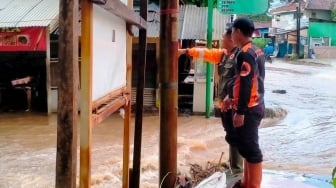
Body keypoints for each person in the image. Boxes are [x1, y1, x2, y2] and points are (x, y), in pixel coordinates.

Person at [178, 27, 244, 176]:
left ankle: (237, 171)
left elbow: (243, 81)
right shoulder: (224, 55)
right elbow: (205, 53)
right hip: (225, 105)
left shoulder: (241, 56)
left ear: (231, 39)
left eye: (223, 38)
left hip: (234, 104)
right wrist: (185, 51)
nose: (221, 41)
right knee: (230, 135)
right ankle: (234, 166)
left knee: (236, 136)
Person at [229, 17, 265, 188]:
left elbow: (246, 82)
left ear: (238, 32)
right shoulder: (256, 50)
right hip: (255, 104)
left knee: (252, 150)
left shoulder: (245, 53)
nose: (231, 36)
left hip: (249, 108)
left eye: (232, 32)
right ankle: (246, 183)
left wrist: (241, 110)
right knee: (246, 148)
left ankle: (253, 185)